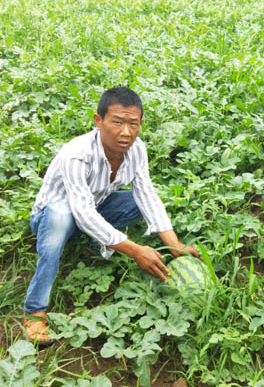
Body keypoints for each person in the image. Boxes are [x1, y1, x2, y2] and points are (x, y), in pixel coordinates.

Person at [22, 86, 199, 345]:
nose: (126, 132)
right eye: (117, 122)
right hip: (53, 216)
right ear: (98, 121)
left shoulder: (137, 150)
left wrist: (175, 245)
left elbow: (147, 194)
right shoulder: (77, 154)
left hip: (96, 206)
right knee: (61, 215)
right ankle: (35, 310)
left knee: (140, 202)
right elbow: (81, 212)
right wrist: (136, 250)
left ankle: (97, 241)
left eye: (133, 124)